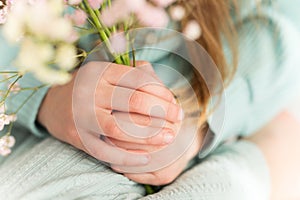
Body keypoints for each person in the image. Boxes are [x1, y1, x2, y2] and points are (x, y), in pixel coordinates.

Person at [0, 0, 300, 199]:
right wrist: (47, 98)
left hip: (206, 139)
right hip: (41, 142)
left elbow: (285, 33)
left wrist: (200, 119)